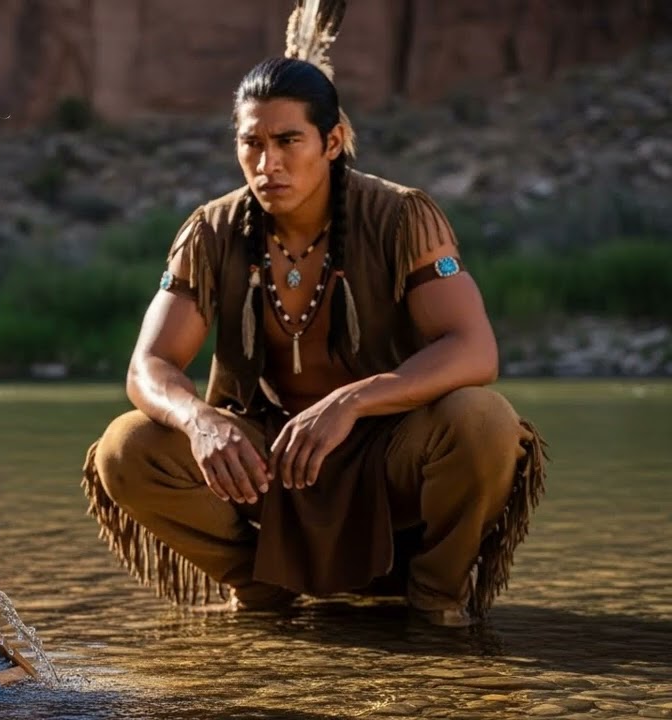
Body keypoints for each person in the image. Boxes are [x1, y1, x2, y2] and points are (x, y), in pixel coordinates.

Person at [80, 0, 546, 627]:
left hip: (387, 446)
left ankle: (437, 596)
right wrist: (199, 421)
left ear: (330, 142)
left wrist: (352, 401)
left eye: (288, 141)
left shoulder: (405, 216)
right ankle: (261, 585)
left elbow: (474, 350)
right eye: (252, 143)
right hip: (267, 455)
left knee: (484, 420)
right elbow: (149, 365)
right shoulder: (211, 231)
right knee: (126, 447)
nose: (267, 163)